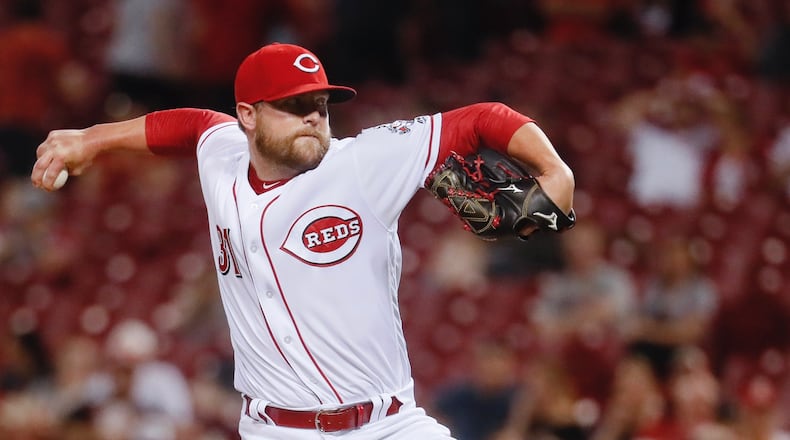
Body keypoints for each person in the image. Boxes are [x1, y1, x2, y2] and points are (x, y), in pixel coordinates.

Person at [31, 42, 575, 439]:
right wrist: (94, 139)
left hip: (386, 426)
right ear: (248, 115)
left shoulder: (362, 164)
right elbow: (191, 124)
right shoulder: (222, 153)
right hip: (274, 430)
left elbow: (485, 118)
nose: (313, 117)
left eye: (319, 103)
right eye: (293, 106)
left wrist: (555, 174)